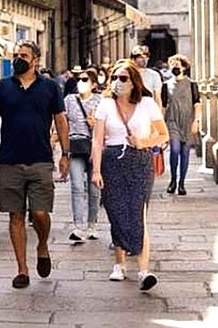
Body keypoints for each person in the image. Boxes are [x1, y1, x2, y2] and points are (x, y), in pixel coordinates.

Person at [0, 40, 69, 289]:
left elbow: (60, 121)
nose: (18, 58)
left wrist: (65, 153)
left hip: (40, 158)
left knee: (40, 213)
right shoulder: (1, 87)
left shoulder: (50, 88)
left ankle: (42, 245)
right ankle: (22, 269)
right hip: (9, 159)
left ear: (35, 60)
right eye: (16, 54)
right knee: (15, 215)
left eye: (23, 55)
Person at [91, 60, 169, 291]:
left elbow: (163, 135)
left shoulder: (147, 104)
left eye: (123, 78)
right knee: (116, 211)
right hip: (112, 161)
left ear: (134, 82)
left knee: (138, 213)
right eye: (114, 77)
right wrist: (96, 170)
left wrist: (143, 141)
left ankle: (144, 270)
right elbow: (97, 140)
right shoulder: (105, 105)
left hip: (140, 160)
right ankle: (120, 264)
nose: (117, 82)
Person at [63, 67, 103, 245]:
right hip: (75, 146)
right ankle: (78, 226)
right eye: (79, 79)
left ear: (94, 84)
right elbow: (62, 122)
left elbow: (106, 128)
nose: (81, 82)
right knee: (77, 187)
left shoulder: (100, 102)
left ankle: (92, 224)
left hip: (94, 147)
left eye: (86, 80)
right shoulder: (69, 100)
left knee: (94, 190)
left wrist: (94, 124)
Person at [161, 54, 200, 195]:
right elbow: (164, 106)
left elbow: (197, 104)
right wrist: (160, 125)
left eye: (177, 65)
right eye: (172, 65)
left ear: (184, 67)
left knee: (185, 153)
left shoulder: (192, 84)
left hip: (187, 121)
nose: (175, 67)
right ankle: (173, 179)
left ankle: (182, 183)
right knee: (175, 150)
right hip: (172, 121)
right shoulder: (166, 85)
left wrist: (196, 121)